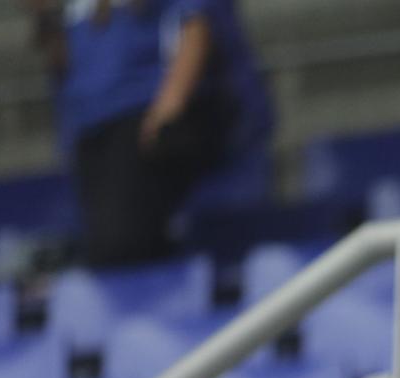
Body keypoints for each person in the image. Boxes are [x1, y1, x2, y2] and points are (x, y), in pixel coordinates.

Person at [30, 0, 272, 267]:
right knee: (106, 247)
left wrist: (168, 109)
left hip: (146, 118)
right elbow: (66, 59)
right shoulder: (78, 12)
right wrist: (45, 17)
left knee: (121, 247)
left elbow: (197, 21)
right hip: (90, 128)